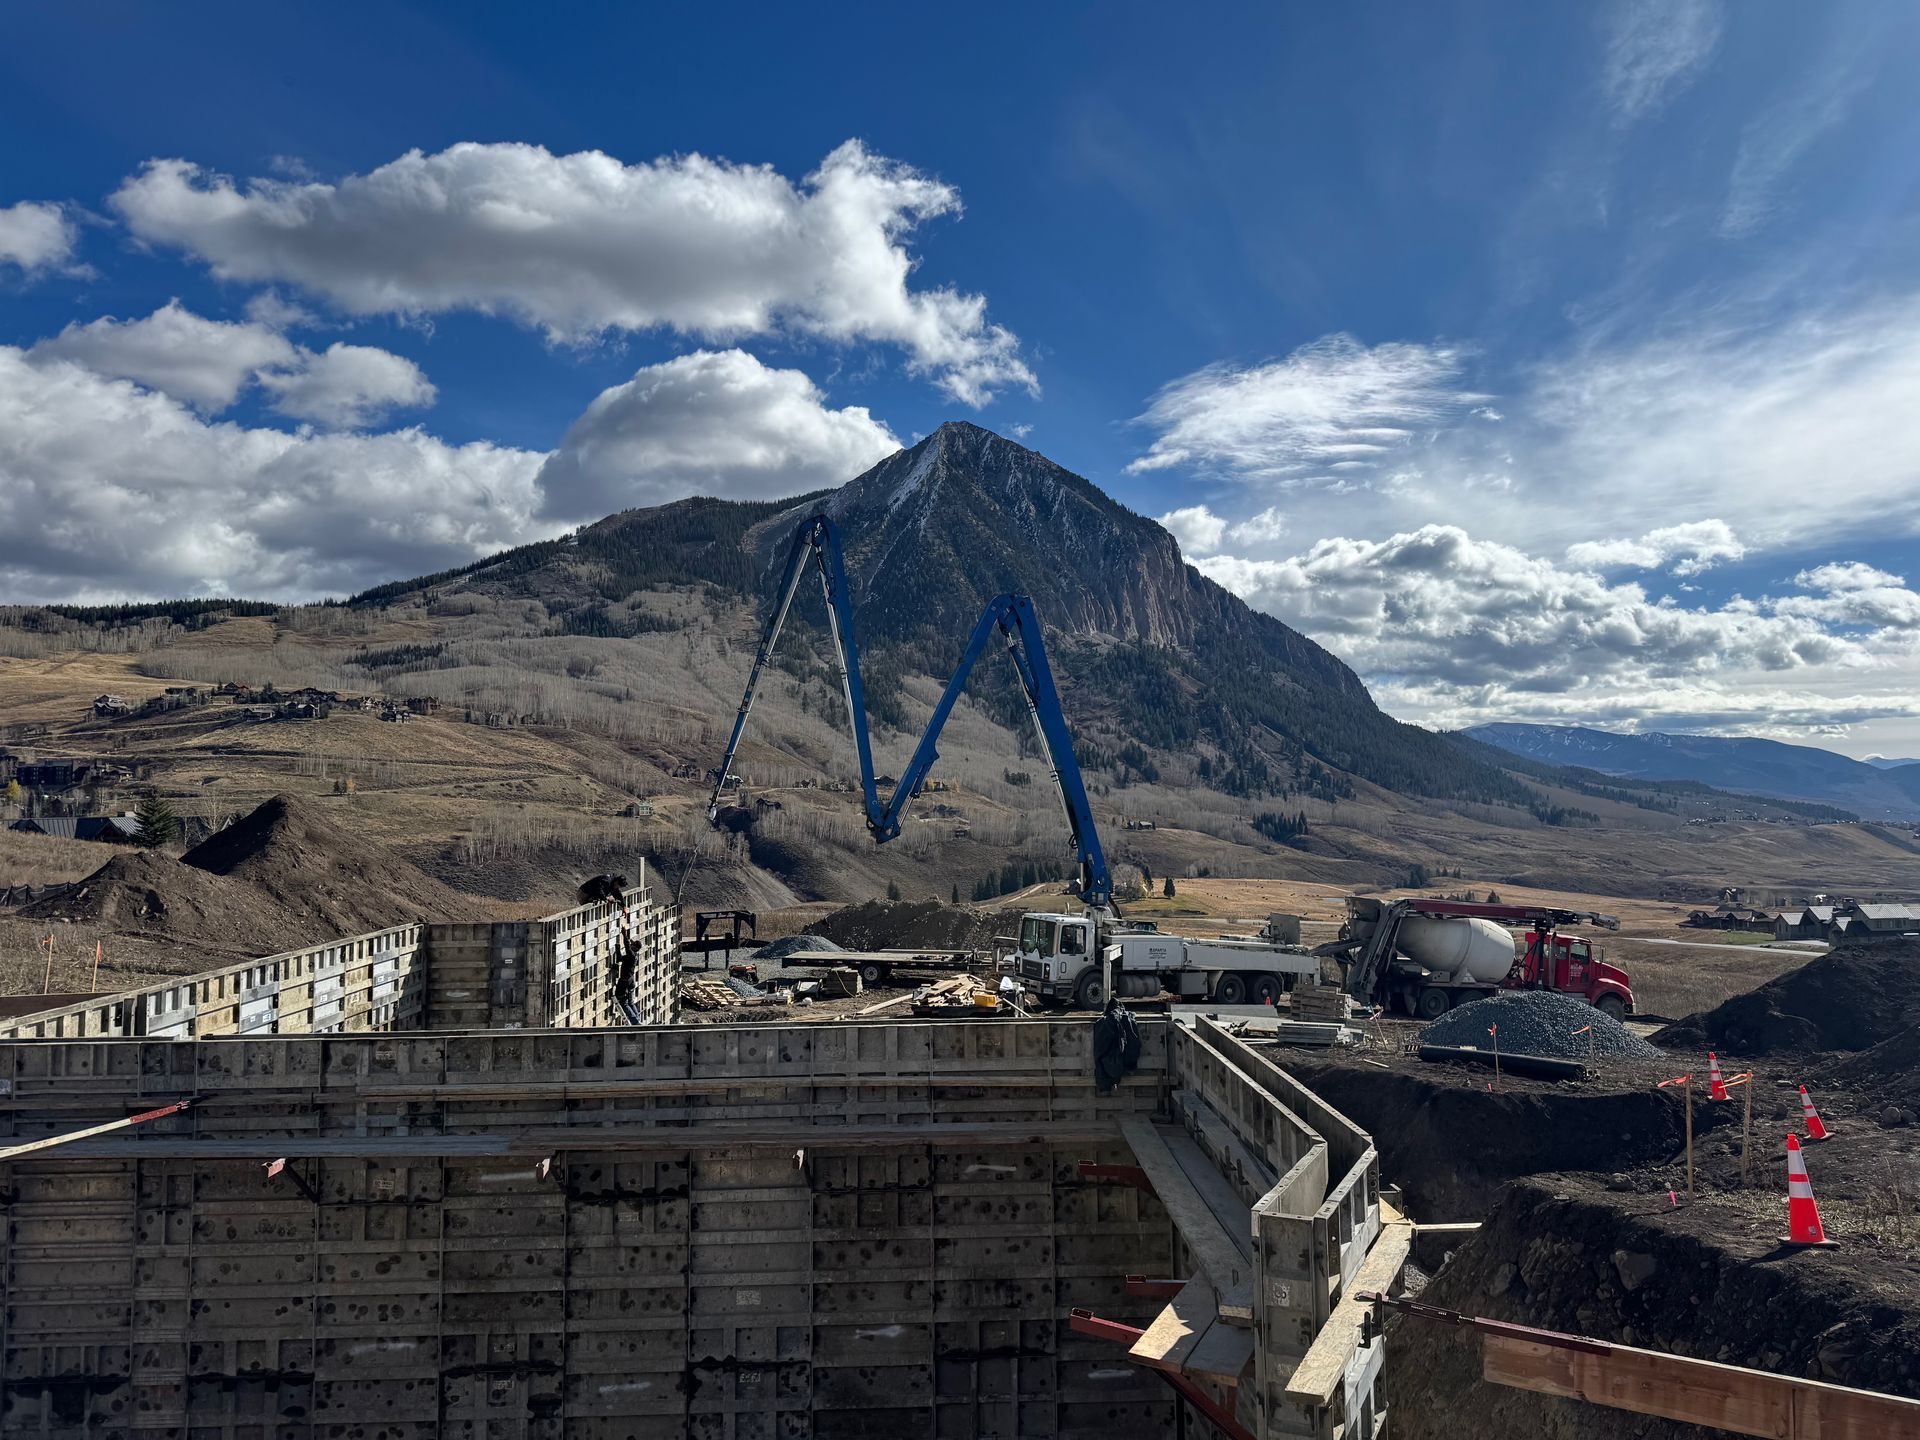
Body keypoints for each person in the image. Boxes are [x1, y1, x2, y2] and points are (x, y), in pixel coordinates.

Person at [1092, 996, 1141, 1095]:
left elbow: (1099, 1053)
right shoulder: (1128, 1019)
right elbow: (1134, 1043)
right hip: (1126, 1064)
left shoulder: (1104, 1022)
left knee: (1099, 1057)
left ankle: (1105, 1088)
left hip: (1108, 1066)